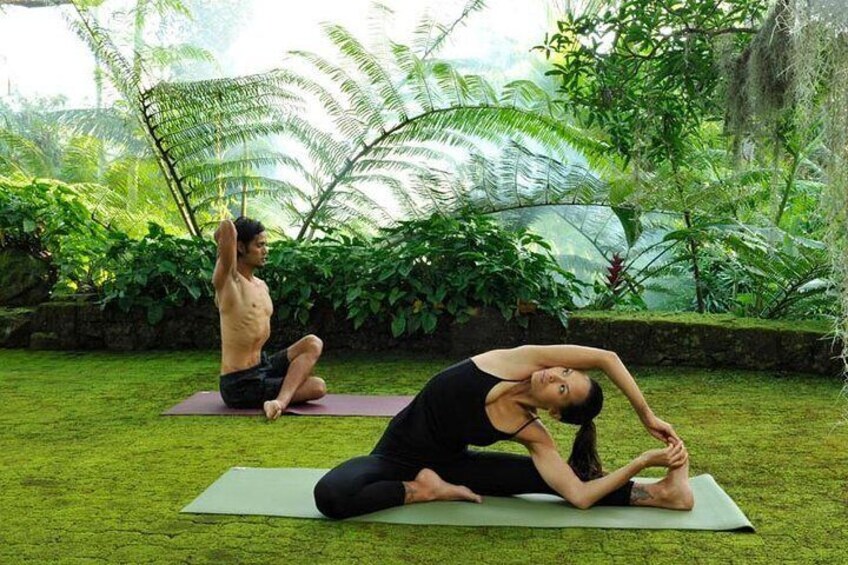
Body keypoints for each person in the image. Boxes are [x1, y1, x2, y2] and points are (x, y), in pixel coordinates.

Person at [313, 344, 693, 519]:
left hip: (453, 466)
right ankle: (422, 491)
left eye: (562, 389)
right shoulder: (520, 361)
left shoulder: (533, 431)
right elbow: (606, 358)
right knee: (331, 496)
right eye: (566, 373)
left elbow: (579, 496)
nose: (555, 375)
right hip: (393, 459)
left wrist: (643, 461)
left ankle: (660, 493)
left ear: (555, 413)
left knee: (546, 479)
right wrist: (646, 415)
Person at [213, 217, 326, 420]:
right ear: (239, 246)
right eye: (259, 245)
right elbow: (226, 227)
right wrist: (221, 239)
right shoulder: (229, 283)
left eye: (266, 245)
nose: (266, 250)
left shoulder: (261, 285)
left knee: (312, 343)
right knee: (317, 386)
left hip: (262, 366)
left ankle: (278, 401)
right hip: (240, 382)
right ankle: (281, 399)